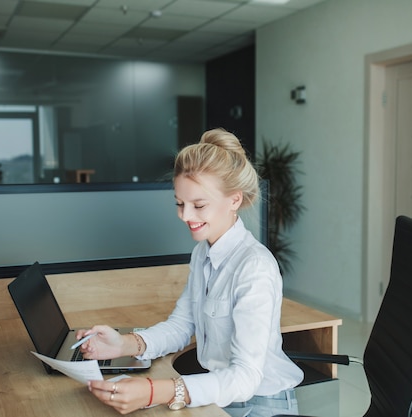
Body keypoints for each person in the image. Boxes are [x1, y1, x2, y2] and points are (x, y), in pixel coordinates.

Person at [77, 128, 303, 416]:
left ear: (234, 200)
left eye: (199, 205)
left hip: (260, 404)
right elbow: (182, 326)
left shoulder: (254, 267)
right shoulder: (203, 253)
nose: (185, 216)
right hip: (220, 396)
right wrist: (121, 344)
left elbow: (245, 378)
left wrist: (153, 391)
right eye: (180, 204)